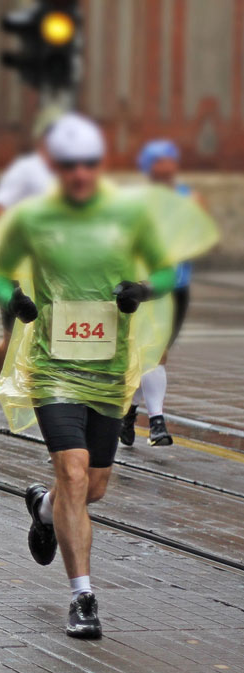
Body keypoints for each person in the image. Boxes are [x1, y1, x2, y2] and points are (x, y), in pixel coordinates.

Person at [0, 114, 217, 639]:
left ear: (100, 165)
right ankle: (83, 597)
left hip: (110, 372)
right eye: (69, 165)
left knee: (93, 487)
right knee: (72, 473)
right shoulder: (33, 218)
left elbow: (165, 268)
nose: (80, 174)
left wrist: (144, 290)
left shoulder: (127, 215)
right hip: (53, 368)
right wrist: (12, 298)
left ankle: (43, 509)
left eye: (88, 164)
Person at [0, 106, 61, 429]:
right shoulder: (26, 171)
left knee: (62, 341)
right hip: (22, 273)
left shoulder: (77, 177)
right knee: (12, 343)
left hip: (62, 273)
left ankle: (61, 414)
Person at [121, 139, 209, 448]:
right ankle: (157, 422)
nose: (166, 166)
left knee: (159, 354)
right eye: (158, 160)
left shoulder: (189, 197)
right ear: (148, 166)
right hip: (148, 286)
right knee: (152, 352)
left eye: (170, 159)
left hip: (177, 286)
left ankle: (129, 412)